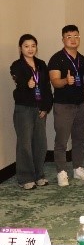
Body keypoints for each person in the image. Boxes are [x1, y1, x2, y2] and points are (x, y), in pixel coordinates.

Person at [48, 24, 84, 186]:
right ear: (63, 39)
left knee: (79, 139)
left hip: (80, 104)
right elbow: (54, 81)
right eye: (69, 37)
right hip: (63, 105)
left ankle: (77, 168)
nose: (73, 40)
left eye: (76, 36)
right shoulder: (56, 58)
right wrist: (66, 81)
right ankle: (61, 171)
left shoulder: (82, 59)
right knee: (62, 140)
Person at [10, 34, 53, 190]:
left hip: (40, 109)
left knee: (40, 143)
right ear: (20, 48)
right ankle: (25, 177)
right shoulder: (17, 65)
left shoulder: (41, 64)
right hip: (24, 109)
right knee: (25, 144)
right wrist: (26, 85)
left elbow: (46, 88)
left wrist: (46, 107)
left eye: (33, 46)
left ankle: (39, 175)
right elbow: (19, 86)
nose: (30, 49)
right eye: (26, 46)